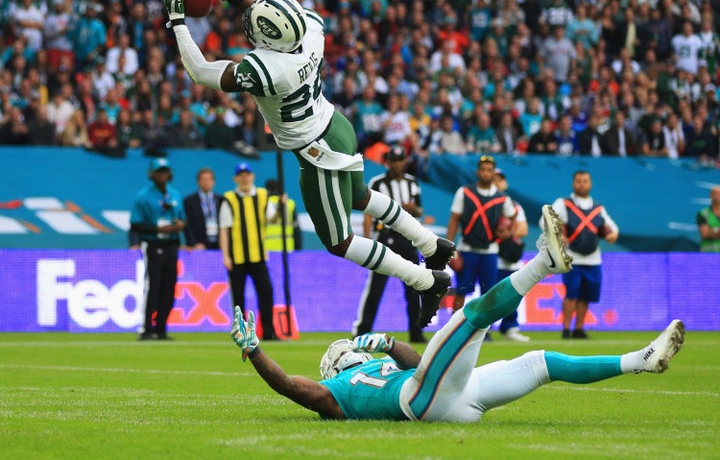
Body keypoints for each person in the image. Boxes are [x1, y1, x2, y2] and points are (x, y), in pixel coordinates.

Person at [163, 0, 455, 328]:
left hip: (317, 150)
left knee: (339, 241)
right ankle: (431, 245)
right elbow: (272, 16)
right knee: (360, 196)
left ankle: (425, 281)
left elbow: (199, 71)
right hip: (336, 123)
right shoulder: (311, 31)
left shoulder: (267, 68)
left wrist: (177, 22)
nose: (249, 21)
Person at [229, 207, 684, 422]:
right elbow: (292, 387)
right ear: (338, 363)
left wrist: (387, 344)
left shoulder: (375, 368)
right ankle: (545, 262)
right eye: (345, 351)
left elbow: (413, 362)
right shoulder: (333, 393)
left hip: (450, 400)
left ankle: (639, 361)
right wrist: (254, 351)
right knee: (472, 314)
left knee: (541, 364)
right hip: (419, 401)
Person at [352, 146, 425, 344]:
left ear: (405, 161)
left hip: (407, 239)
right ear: (388, 162)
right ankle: (361, 331)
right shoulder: (378, 182)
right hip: (385, 237)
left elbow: (419, 210)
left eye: (400, 160)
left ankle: (416, 332)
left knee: (414, 287)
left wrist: (414, 209)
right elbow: (368, 212)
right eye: (393, 160)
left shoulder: (412, 183)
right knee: (375, 288)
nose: (396, 164)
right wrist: (368, 239)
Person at [445, 155, 517, 318]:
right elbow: (454, 220)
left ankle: (485, 328)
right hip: (467, 248)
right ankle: (453, 326)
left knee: (489, 293)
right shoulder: (464, 192)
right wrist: (450, 247)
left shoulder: (503, 198)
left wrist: (507, 232)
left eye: (489, 170)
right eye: (483, 170)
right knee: (462, 289)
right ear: (478, 172)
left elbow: (512, 219)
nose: (486, 173)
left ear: (493, 174)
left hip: (490, 250)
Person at [550, 171, 619, 339]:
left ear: (590, 184)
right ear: (573, 183)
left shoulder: (597, 208)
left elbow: (613, 228)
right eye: (579, 181)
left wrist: (612, 235)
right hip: (572, 257)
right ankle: (566, 329)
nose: (582, 184)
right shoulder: (564, 203)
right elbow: (547, 220)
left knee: (586, 296)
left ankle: (579, 328)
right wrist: (560, 236)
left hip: (593, 258)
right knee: (571, 293)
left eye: (585, 181)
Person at [219, 162, 278, 341]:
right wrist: (226, 256)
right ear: (235, 178)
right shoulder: (229, 199)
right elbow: (224, 230)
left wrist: (281, 207)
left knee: (266, 292)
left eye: (247, 174)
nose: (244, 178)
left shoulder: (262, 195)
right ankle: (242, 333)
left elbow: (272, 220)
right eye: (241, 175)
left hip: (258, 256)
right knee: (238, 298)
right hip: (237, 257)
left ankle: (268, 331)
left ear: (252, 176)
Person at [130, 158, 186, 340]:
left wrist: (179, 225)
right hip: (153, 243)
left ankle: (161, 328)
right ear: (152, 174)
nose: (162, 175)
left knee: (169, 287)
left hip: (171, 243)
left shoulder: (175, 194)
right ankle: (146, 328)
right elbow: (136, 224)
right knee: (153, 285)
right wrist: (158, 229)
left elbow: (182, 217)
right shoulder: (143, 196)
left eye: (165, 171)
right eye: (159, 171)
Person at [492, 169, 530, 342]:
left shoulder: (514, 206)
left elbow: (523, 229)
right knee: (490, 295)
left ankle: (510, 327)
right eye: (494, 179)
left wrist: (506, 232)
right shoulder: (485, 204)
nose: (497, 182)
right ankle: (484, 329)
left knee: (513, 293)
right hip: (491, 255)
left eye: (500, 179)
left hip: (508, 256)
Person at [183, 167, 222, 251]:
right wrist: (193, 243)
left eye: (209, 179)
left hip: (219, 244)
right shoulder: (189, 201)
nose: (206, 182)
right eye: (203, 179)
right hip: (199, 245)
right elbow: (187, 225)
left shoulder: (221, 200)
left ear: (213, 182)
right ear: (198, 182)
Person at [265, 178, 302, 252]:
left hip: (267, 250)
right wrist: (298, 250)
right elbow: (296, 230)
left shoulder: (263, 203)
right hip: (287, 248)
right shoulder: (290, 204)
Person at [696, 186, 720, 252]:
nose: (717, 196)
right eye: (715, 193)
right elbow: (705, 234)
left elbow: (709, 232)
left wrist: (713, 230)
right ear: (711, 195)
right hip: (708, 256)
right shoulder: (703, 214)